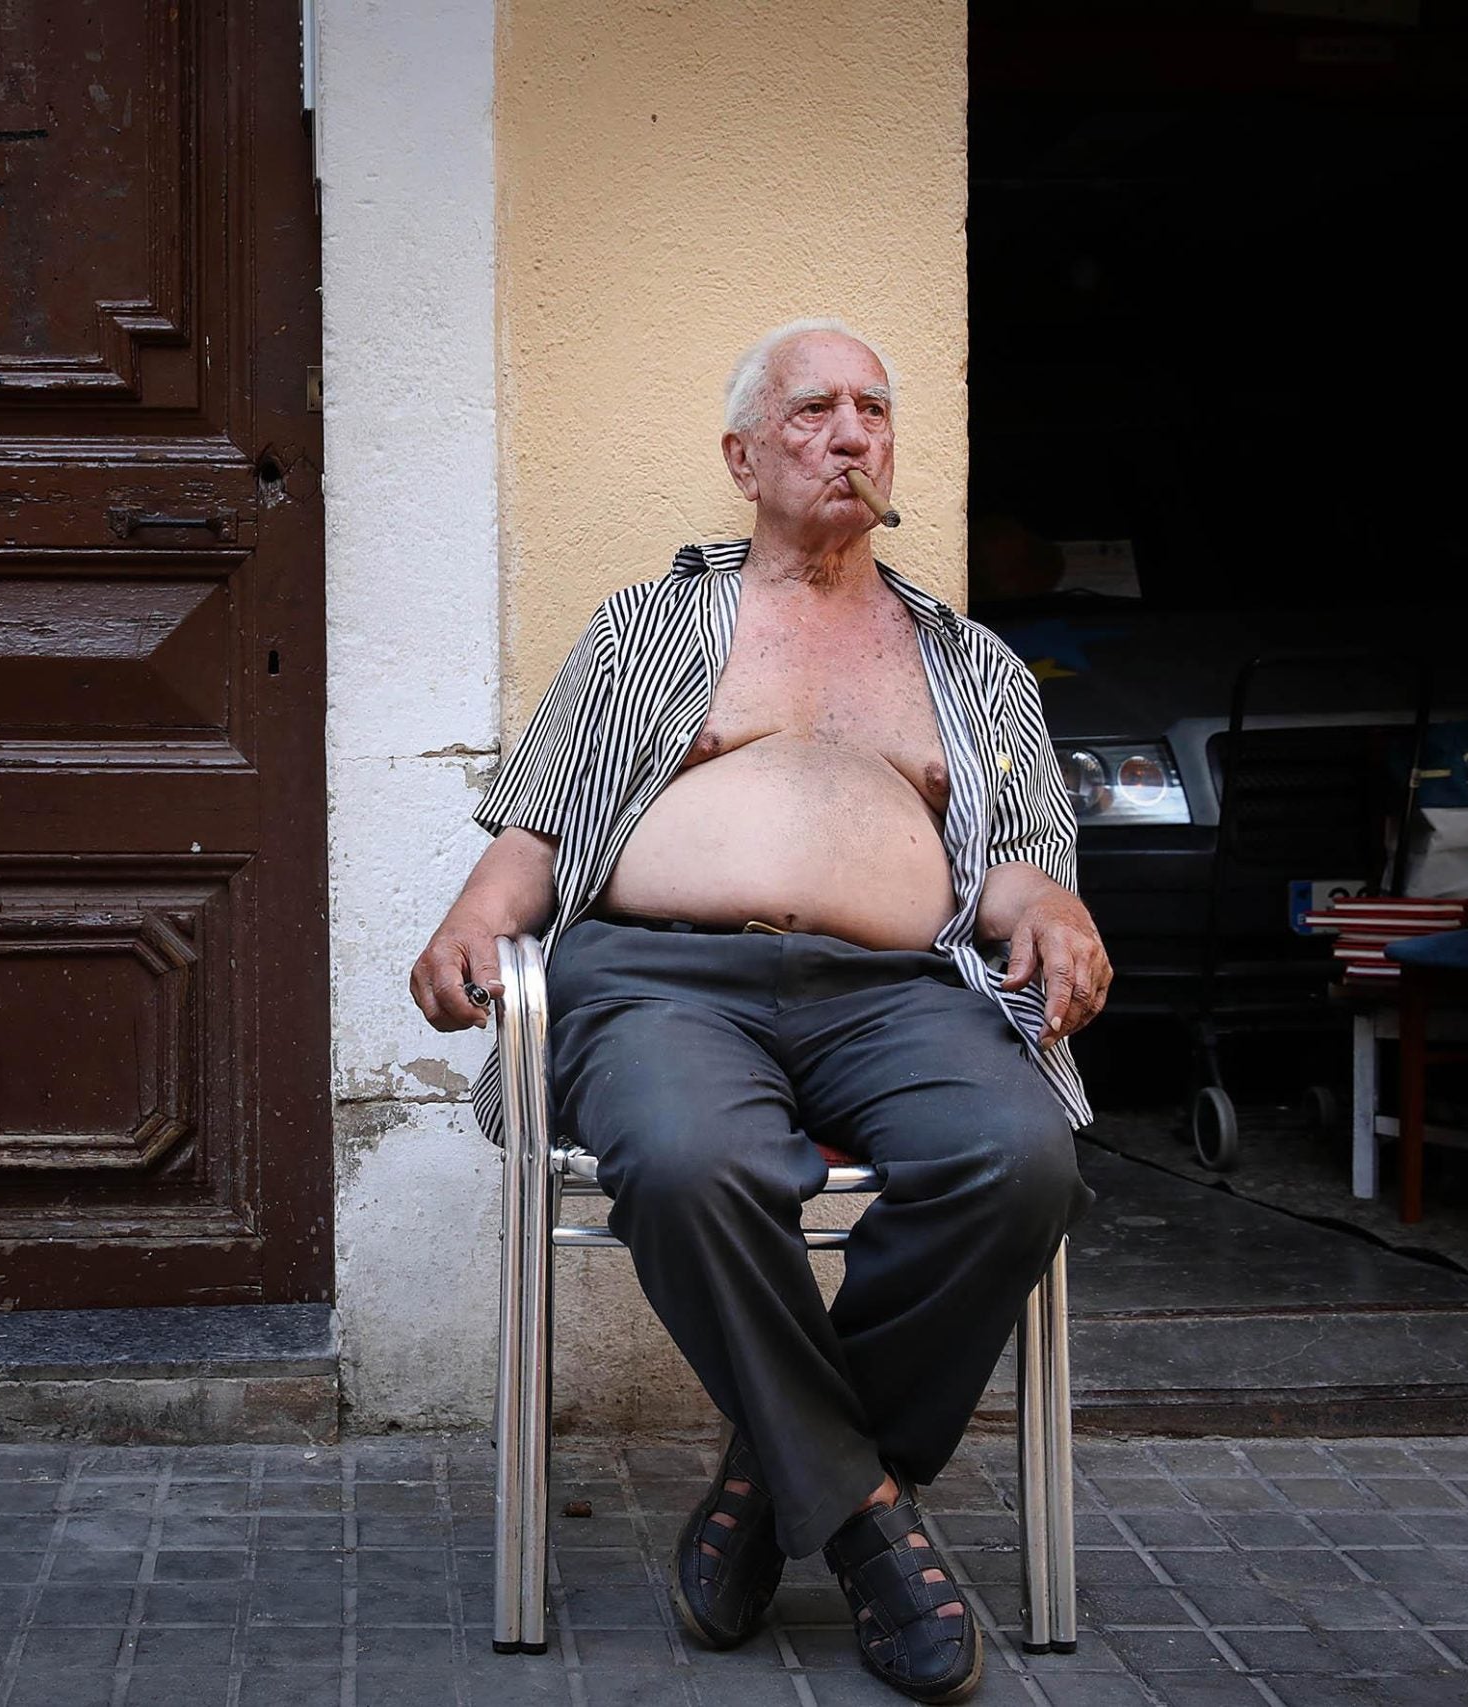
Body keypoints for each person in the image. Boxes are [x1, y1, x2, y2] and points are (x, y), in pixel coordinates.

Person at [408, 319, 1108, 1702]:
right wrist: (472, 923)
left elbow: (1023, 866)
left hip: (899, 995)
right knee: (687, 1163)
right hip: (661, 979)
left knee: (1022, 1164)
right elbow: (544, 827)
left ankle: (773, 1481)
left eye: (872, 411)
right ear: (741, 456)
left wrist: (1057, 916)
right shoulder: (648, 627)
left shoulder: (973, 666)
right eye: (810, 412)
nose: (850, 434)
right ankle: (864, 1522)